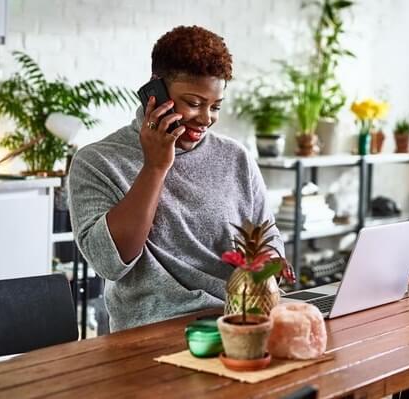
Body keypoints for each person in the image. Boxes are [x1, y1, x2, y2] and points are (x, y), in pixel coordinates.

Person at [67, 25, 283, 332]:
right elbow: (109, 263)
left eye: (215, 106)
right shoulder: (98, 161)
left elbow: (269, 238)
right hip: (152, 332)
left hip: (240, 321)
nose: (206, 118)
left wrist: (263, 284)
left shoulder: (235, 157)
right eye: (194, 103)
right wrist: (155, 167)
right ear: (156, 94)